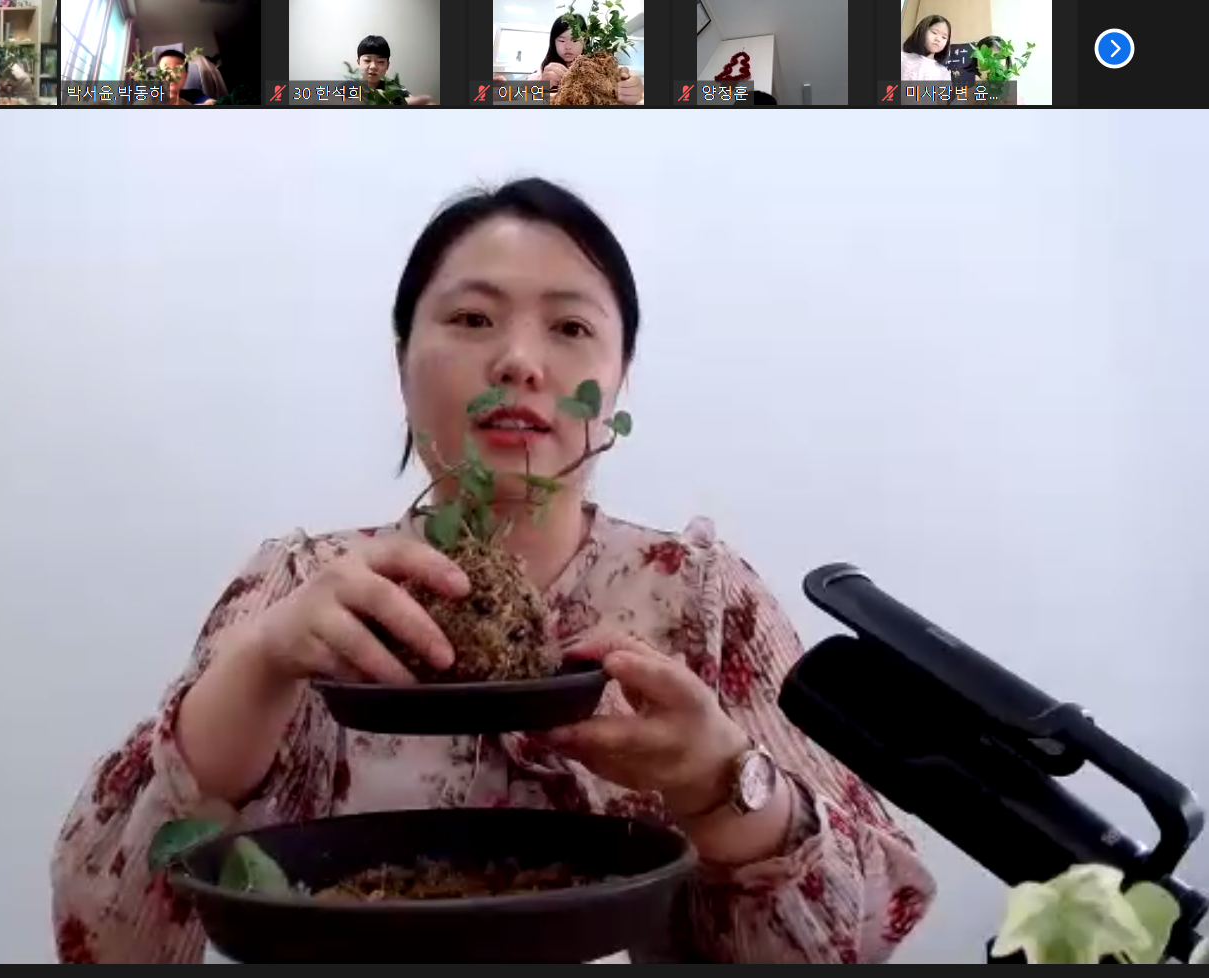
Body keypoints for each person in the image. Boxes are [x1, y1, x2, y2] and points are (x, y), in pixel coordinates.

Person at [49, 177, 937, 964]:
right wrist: (255, 669)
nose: (518, 360)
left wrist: (724, 789)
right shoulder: (302, 589)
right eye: (472, 319)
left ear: (619, 378)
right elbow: (109, 941)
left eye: (571, 326)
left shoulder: (701, 599)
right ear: (400, 360)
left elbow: (859, 935)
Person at [529, 16, 643, 105]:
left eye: (575, 40)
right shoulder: (539, 75)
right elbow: (520, 99)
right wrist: (542, 86)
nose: (567, 46)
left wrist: (631, 89)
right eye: (561, 41)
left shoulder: (601, 70)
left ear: (585, 41)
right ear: (553, 42)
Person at [353, 34, 432, 105]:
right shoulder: (351, 88)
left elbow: (412, 100)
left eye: (380, 62)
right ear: (358, 62)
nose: (373, 66)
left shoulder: (394, 88)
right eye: (367, 60)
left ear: (387, 65)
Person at [900, 14, 954, 82]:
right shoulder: (903, 59)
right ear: (921, 31)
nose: (938, 39)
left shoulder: (943, 73)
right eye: (934, 32)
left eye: (944, 37)